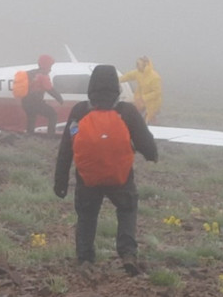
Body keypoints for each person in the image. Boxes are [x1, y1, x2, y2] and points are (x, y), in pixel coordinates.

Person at [53, 65, 157, 276]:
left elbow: (67, 146)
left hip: (87, 178)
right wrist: (152, 155)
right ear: (116, 87)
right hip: (121, 177)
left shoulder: (80, 111)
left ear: (91, 86)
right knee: (127, 210)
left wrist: (60, 181)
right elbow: (145, 142)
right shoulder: (127, 111)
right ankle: (128, 253)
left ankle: (85, 259)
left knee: (87, 214)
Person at [21, 54, 64, 136]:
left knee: (31, 118)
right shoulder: (43, 75)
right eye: (50, 65)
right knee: (53, 115)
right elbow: (50, 90)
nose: (50, 68)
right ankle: (50, 136)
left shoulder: (30, 73)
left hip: (25, 102)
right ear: (46, 65)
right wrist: (60, 99)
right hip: (35, 102)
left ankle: (29, 136)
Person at [119, 56, 162, 124]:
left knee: (149, 121)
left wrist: (144, 98)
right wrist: (117, 80)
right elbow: (128, 76)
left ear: (145, 65)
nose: (137, 66)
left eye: (138, 64)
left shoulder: (155, 77)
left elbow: (157, 93)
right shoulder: (138, 73)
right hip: (140, 102)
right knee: (137, 119)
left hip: (152, 104)